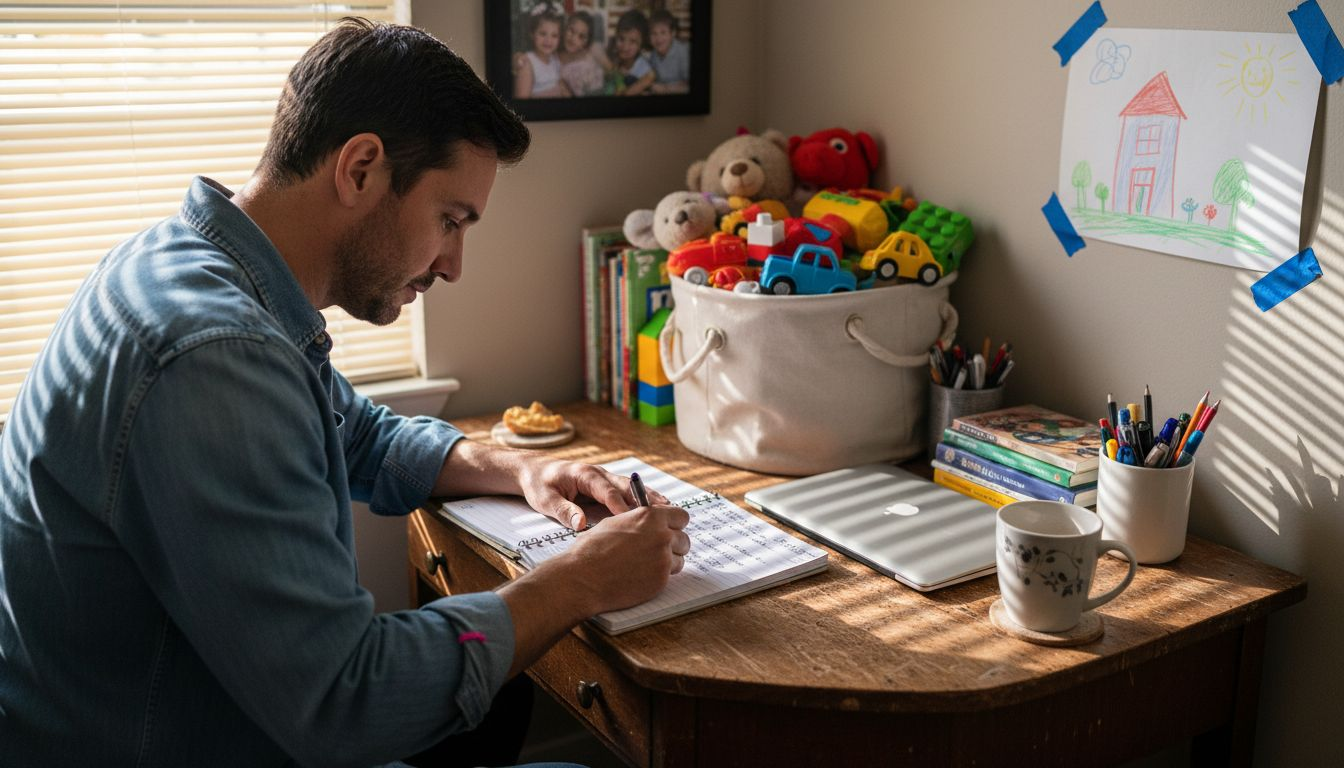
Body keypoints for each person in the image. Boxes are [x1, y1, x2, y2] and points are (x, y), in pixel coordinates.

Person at [0, 18, 691, 768]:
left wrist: (519, 468)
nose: (454, 264)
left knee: (500, 706)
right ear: (361, 169)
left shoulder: (182, 265)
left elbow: (351, 429)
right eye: (450, 220)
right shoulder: (215, 355)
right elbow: (345, 701)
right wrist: (578, 580)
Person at [512, 8, 570, 98]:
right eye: (543, 34)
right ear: (532, 34)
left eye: (554, 35)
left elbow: (560, 85)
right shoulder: (527, 63)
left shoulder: (555, 59)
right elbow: (522, 101)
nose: (548, 40)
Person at [557, 10, 609, 97]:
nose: (573, 38)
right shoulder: (556, 56)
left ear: (586, 42)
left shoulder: (593, 51)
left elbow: (612, 71)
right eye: (571, 30)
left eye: (581, 36)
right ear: (565, 29)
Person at [607, 9, 655, 96]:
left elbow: (649, 78)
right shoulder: (614, 59)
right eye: (621, 39)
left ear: (641, 46)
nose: (625, 47)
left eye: (633, 41)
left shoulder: (643, 68)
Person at [647, 9, 690, 94]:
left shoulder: (683, 52)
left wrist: (666, 89)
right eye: (654, 33)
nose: (658, 39)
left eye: (663, 33)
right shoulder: (653, 55)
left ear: (673, 33)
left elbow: (690, 86)